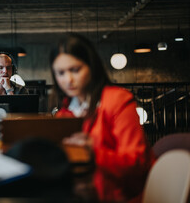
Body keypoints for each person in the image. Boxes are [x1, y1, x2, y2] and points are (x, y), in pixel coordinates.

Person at [49, 33, 155, 202]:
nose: (68, 80)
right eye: (60, 73)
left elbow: (138, 163)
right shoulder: (64, 112)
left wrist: (93, 151)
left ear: (91, 66)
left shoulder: (118, 100)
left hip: (121, 196)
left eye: (75, 70)